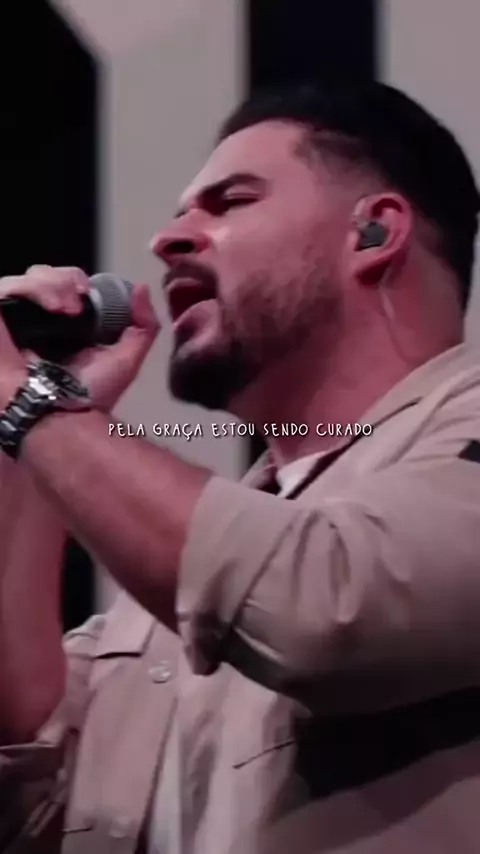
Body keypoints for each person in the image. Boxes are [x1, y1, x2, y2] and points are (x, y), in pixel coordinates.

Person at [1, 79, 480, 854]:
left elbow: (324, 609)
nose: (167, 240)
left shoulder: (274, 559)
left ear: (373, 231)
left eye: (229, 202)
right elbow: (27, 782)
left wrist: (28, 402)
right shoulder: (164, 599)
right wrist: (30, 431)